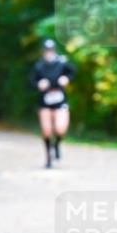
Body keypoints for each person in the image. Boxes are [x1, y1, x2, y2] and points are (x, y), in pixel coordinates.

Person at [29, 39, 76, 168]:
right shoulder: (39, 66)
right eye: (46, 51)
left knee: (61, 129)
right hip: (45, 102)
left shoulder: (62, 63)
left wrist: (66, 79)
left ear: (54, 51)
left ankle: (56, 145)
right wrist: (39, 84)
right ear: (43, 52)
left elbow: (73, 72)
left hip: (60, 100)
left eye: (51, 50)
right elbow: (31, 82)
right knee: (46, 130)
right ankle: (48, 158)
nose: (49, 53)